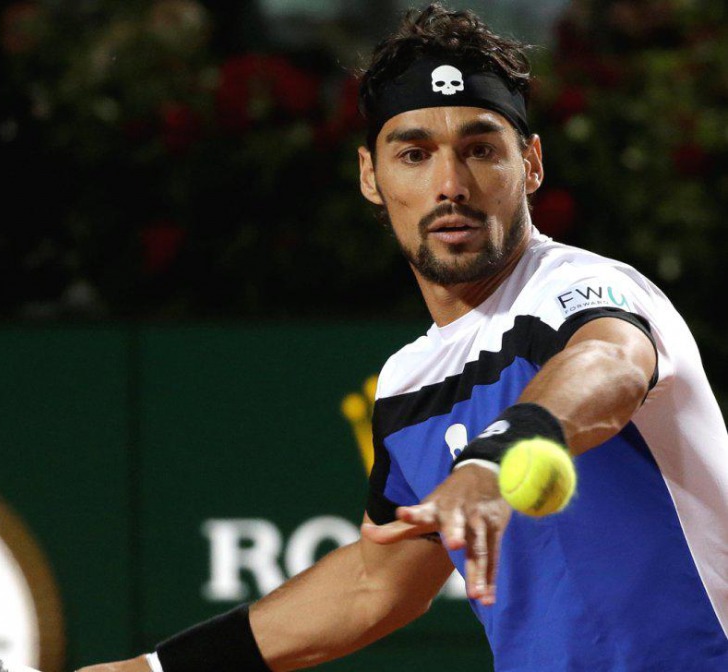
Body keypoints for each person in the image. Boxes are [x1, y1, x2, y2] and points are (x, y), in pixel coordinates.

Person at [76, 4, 728, 671]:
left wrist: (495, 460)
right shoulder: (410, 383)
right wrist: (155, 669)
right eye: (415, 154)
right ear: (371, 177)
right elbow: (372, 587)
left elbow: (608, 364)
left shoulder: (584, 289)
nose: (450, 186)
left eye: (480, 149)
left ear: (530, 165)